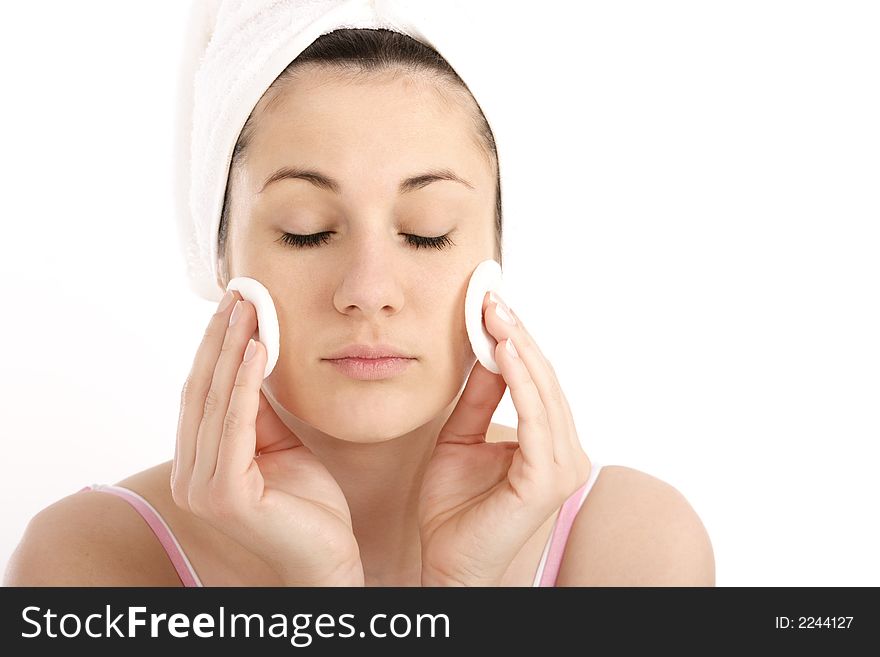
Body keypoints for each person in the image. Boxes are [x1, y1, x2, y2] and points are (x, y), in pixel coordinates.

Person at [4, 26, 714, 588]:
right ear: (217, 254)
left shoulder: (632, 546)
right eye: (306, 228)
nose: (369, 288)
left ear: (498, 254)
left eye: (427, 230)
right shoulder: (87, 562)